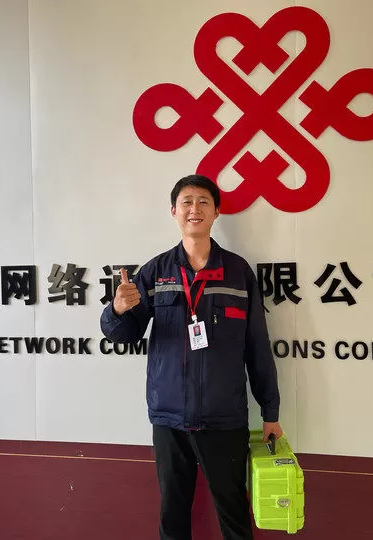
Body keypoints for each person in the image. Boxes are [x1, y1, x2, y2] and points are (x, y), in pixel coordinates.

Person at [100, 174, 282, 540]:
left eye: (203, 202)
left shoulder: (237, 272)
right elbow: (125, 334)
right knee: (173, 516)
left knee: (234, 514)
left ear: (216, 212)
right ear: (173, 211)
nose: (194, 209)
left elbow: (257, 345)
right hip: (169, 417)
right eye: (186, 202)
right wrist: (117, 310)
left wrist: (270, 412)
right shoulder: (155, 272)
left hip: (223, 417)